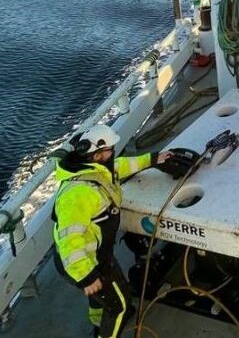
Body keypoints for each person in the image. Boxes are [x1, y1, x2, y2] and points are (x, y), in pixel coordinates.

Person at [52, 123, 172, 337]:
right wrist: (86, 277)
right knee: (120, 306)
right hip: (83, 262)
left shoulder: (97, 172)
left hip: (97, 256)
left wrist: (155, 158)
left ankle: (98, 319)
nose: (113, 153)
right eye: (109, 151)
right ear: (97, 155)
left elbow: (123, 165)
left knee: (100, 295)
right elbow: (69, 240)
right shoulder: (78, 194)